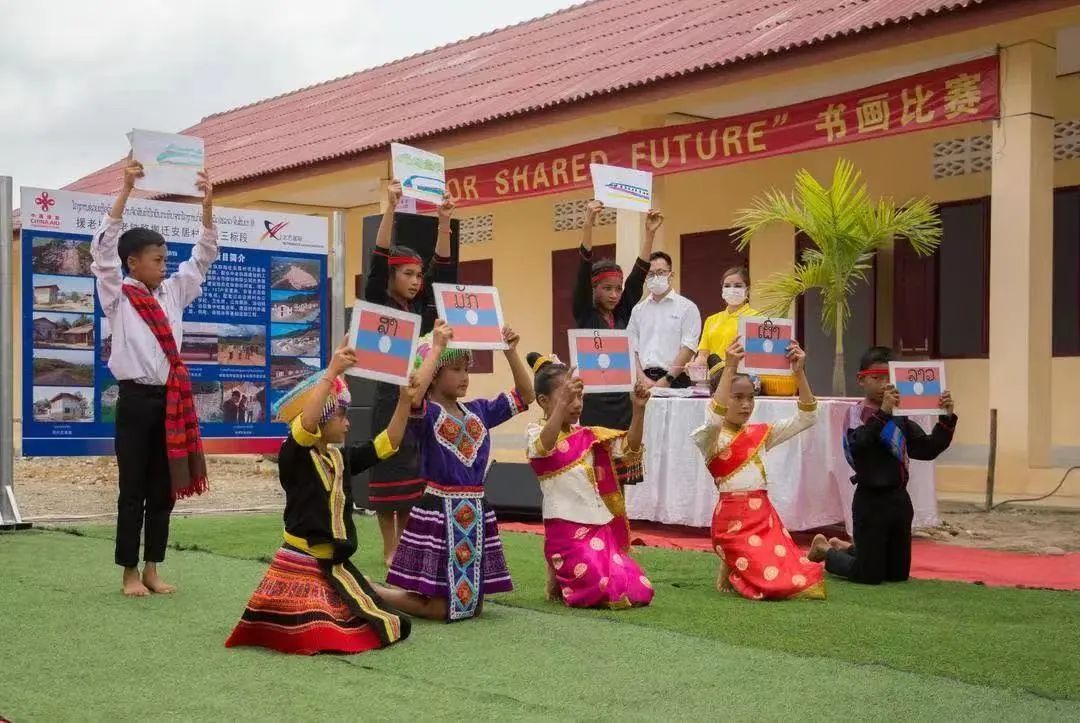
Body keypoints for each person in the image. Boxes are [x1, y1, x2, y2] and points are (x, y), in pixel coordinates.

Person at [225, 340, 412, 655]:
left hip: (334, 563)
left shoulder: (340, 458)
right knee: (321, 634)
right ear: (324, 418)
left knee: (391, 624)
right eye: (341, 415)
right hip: (301, 561)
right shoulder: (294, 455)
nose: (348, 423)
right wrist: (332, 373)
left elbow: (387, 443)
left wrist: (405, 400)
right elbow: (305, 426)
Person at [91, 158, 217, 598]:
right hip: (135, 402)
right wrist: (126, 190)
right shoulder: (117, 295)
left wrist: (207, 205)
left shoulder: (174, 292)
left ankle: (152, 568)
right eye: (157, 259)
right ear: (133, 262)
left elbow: (204, 255)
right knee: (133, 490)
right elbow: (102, 252)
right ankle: (128, 572)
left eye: (166, 259)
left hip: (171, 401)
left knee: (164, 491)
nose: (165, 265)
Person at [384, 320, 534, 622]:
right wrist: (437, 348)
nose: (465, 376)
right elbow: (413, 396)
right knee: (440, 607)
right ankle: (372, 592)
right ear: (434, 374)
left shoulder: (479, 411)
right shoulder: (425, 414)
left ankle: (372, 592)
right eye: (456, 369)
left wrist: (510, 352)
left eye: (467, 369)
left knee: (473, 607)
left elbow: (526, 395)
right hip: (439, 513)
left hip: (475, 511)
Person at [364, 179, 457, 566]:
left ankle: (404, 545)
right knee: (387, 470)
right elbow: (379, 257)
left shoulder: (420, 311)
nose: (417, 281)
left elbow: (444, 272)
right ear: (392, 277)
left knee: (411, 480)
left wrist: (444, 221)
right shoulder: (378, 300)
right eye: (408, 274)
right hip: (389, 399)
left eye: (419, 275)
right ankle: (389, 548)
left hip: (419, 401)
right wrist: (390, 207)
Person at [808, 346, 957, 585]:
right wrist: (885, 413)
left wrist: (946, 418)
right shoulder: (856, 414)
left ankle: (849, 549)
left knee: (897, 575)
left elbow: (927, 449)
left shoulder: (900, 418)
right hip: (870, 500)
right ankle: (826, 551)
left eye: (888, 378)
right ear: (861, 380)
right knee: (869, 575)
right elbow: (860, 445)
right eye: (876, 378)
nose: (883, 385)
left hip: (899, 500)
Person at [691, 338, 825, 600]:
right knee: (771, 584)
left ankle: (741, 563)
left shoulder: (760, 434)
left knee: (795, 579)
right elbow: (714, 419)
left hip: (764, 519)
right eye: (738, 397)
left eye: (751, 397)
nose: (746, 404)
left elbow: (807, 417)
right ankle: (733, 559)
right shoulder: (709, 437)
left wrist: (799, 373)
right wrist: (730, 368)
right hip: (731, 523)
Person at [525, 352, 654, 609]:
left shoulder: (588, 435)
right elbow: (543, 448)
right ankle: (561, 573)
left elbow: (629, 449)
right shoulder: (535, 433)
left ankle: (561, 577)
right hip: (565, 531)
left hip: (599, 528)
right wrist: (561, 406)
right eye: (567, 397)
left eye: (579, 396)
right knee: (603, 587)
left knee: (639, 588)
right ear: (543, 401)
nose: (576, 404)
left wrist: (639, 409)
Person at [572, 199, 660, 429]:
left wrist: (649, 234)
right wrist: (588, 224)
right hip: (594, 405)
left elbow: (637, 277)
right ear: (593, 289)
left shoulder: (621, 314)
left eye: (618, 289)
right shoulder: (585, 313)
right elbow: (583, 269)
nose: (614, 295)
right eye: (607, 288)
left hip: (623, 405)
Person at [626, 251, 701, 390]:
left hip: (676, 380)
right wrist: (642, 378)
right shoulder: (638, 310)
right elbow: (630, 347)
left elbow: (688, 347)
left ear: (671, 275)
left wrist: (668, 379)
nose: (655, 277)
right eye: (650, 274)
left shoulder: (687, 308)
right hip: (642, 382)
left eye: (660, 272)